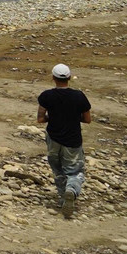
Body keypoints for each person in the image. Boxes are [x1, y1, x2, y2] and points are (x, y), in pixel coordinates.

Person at [37, 63, 92, 218]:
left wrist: (52, 117)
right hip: (72, 139)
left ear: (53, 78)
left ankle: (63, 198)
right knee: (74, 171)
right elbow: (87, 119)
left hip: (53, 138)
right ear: (69, 78)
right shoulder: (79, 96)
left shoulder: (46, 96)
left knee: (58, 170)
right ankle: (72, 190)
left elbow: (41, 119)